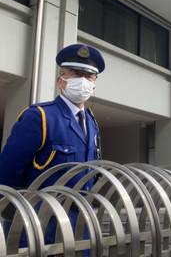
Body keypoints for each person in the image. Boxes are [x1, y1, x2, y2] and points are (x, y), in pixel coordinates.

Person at [0, 43, 105, 245]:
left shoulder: (92, 123)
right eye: (75, 73)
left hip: (81, 227)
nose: (83, 81)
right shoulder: (40, 116)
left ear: (94, 83)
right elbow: (7, 173)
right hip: (41, 227)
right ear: (61, 80)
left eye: (89, 76)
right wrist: (20, 221)